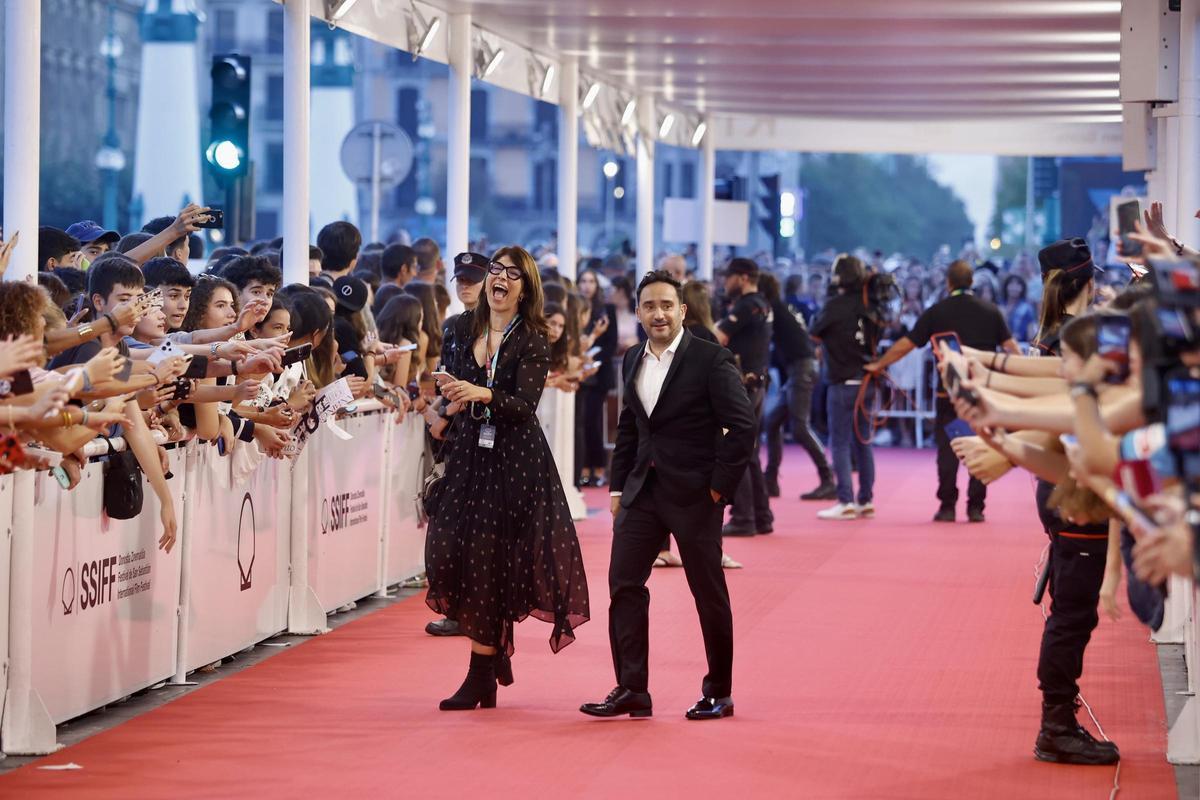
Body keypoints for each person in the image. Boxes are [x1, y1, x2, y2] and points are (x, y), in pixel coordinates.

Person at [580, 270, 755, 721]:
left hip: (696, 495)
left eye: (666, 305)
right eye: (649, 306)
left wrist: (718, 487)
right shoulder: (632, 358)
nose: (657, 313)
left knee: (708, 592)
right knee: (623, 586)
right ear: (637, 313)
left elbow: (742, 426)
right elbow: (630, 427)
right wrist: (618, 487)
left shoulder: (711, 359)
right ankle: (632, 687)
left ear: (681, 310)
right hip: (642, 492)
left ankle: (719, 691)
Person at [425, 245, 589, 711]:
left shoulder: (533, 338)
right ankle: (494, 655)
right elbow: (449, 382)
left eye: (512, 274)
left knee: (491, 563)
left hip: (514, 461)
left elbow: (523, 406)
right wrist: (445, 403)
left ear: (524, 289)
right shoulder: (458, 327)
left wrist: (483, 392)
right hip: (467, 453)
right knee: (450, 550)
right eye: (496, 270)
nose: (500, 278)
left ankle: (481, 674)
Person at [866, 260, 1019, 522]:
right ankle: (976, 508)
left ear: (948, 283)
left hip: (948, 394)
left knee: (947, 450)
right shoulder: (991, 311)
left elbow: (907, 343)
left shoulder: (937, 311)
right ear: (972, 283)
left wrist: (879, 364)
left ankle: (947, 506)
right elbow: (1011, 348)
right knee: (981, 445)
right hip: (983, 393)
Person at [809, 254, 876, 520]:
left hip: (841, 381)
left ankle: (845, 499)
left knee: (839, 442)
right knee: (864, 441)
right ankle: (866, 499)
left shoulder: (834, 305)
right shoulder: (870, 305)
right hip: (867, 380)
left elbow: (814, 332)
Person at [760, 272, 835, 501]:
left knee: (800, 427)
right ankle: (770, 480)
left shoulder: (771, 309)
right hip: (803, 366)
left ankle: (827, 478)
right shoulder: (782, 307)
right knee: (772, 422)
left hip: (800, 368)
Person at [715, 258, 773, 537]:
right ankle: (762, 515)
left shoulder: (745, 305)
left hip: (745, 386)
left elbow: (718, 336)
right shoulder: (764, 303)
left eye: (729, 277)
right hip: (758, 382)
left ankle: (744, 516)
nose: (725, 282)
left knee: (738, 450)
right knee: (749, 453)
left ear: (743, 277)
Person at [576, 267, 617, 487]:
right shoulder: (575, 309)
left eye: (591, 281)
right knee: (581, 422)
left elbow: (611, 343)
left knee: (593, 421)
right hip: (578, 372)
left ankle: (599, 468)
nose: (586, 285)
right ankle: (583, 467)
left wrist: (592, 358)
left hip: (599, 373)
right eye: (583, 281)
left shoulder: (607, 309)